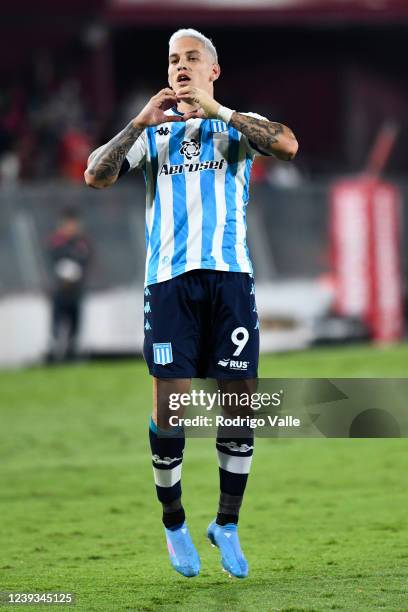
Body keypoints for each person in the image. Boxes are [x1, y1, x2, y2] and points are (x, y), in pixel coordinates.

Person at [84, 28, 298, 578]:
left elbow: (287, 144)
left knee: (239, 402)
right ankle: (175, 522)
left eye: (192, 59)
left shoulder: (235, 126)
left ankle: (226, 523)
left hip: (230, 279)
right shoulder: (153, 134)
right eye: (174, 59)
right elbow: (95, 175)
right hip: (169, 283)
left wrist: (219, 112)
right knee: (171, 404)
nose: (181, 67)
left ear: (213, 70)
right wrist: (137, 122)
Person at [46, 207, 91, 362]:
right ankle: (55, 352)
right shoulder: (57, 242)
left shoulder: (82, 242)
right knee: (58, 323)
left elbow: (86, 261)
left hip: (76, 292)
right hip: (60, 291)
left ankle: (72, 353)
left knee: (75, 324)